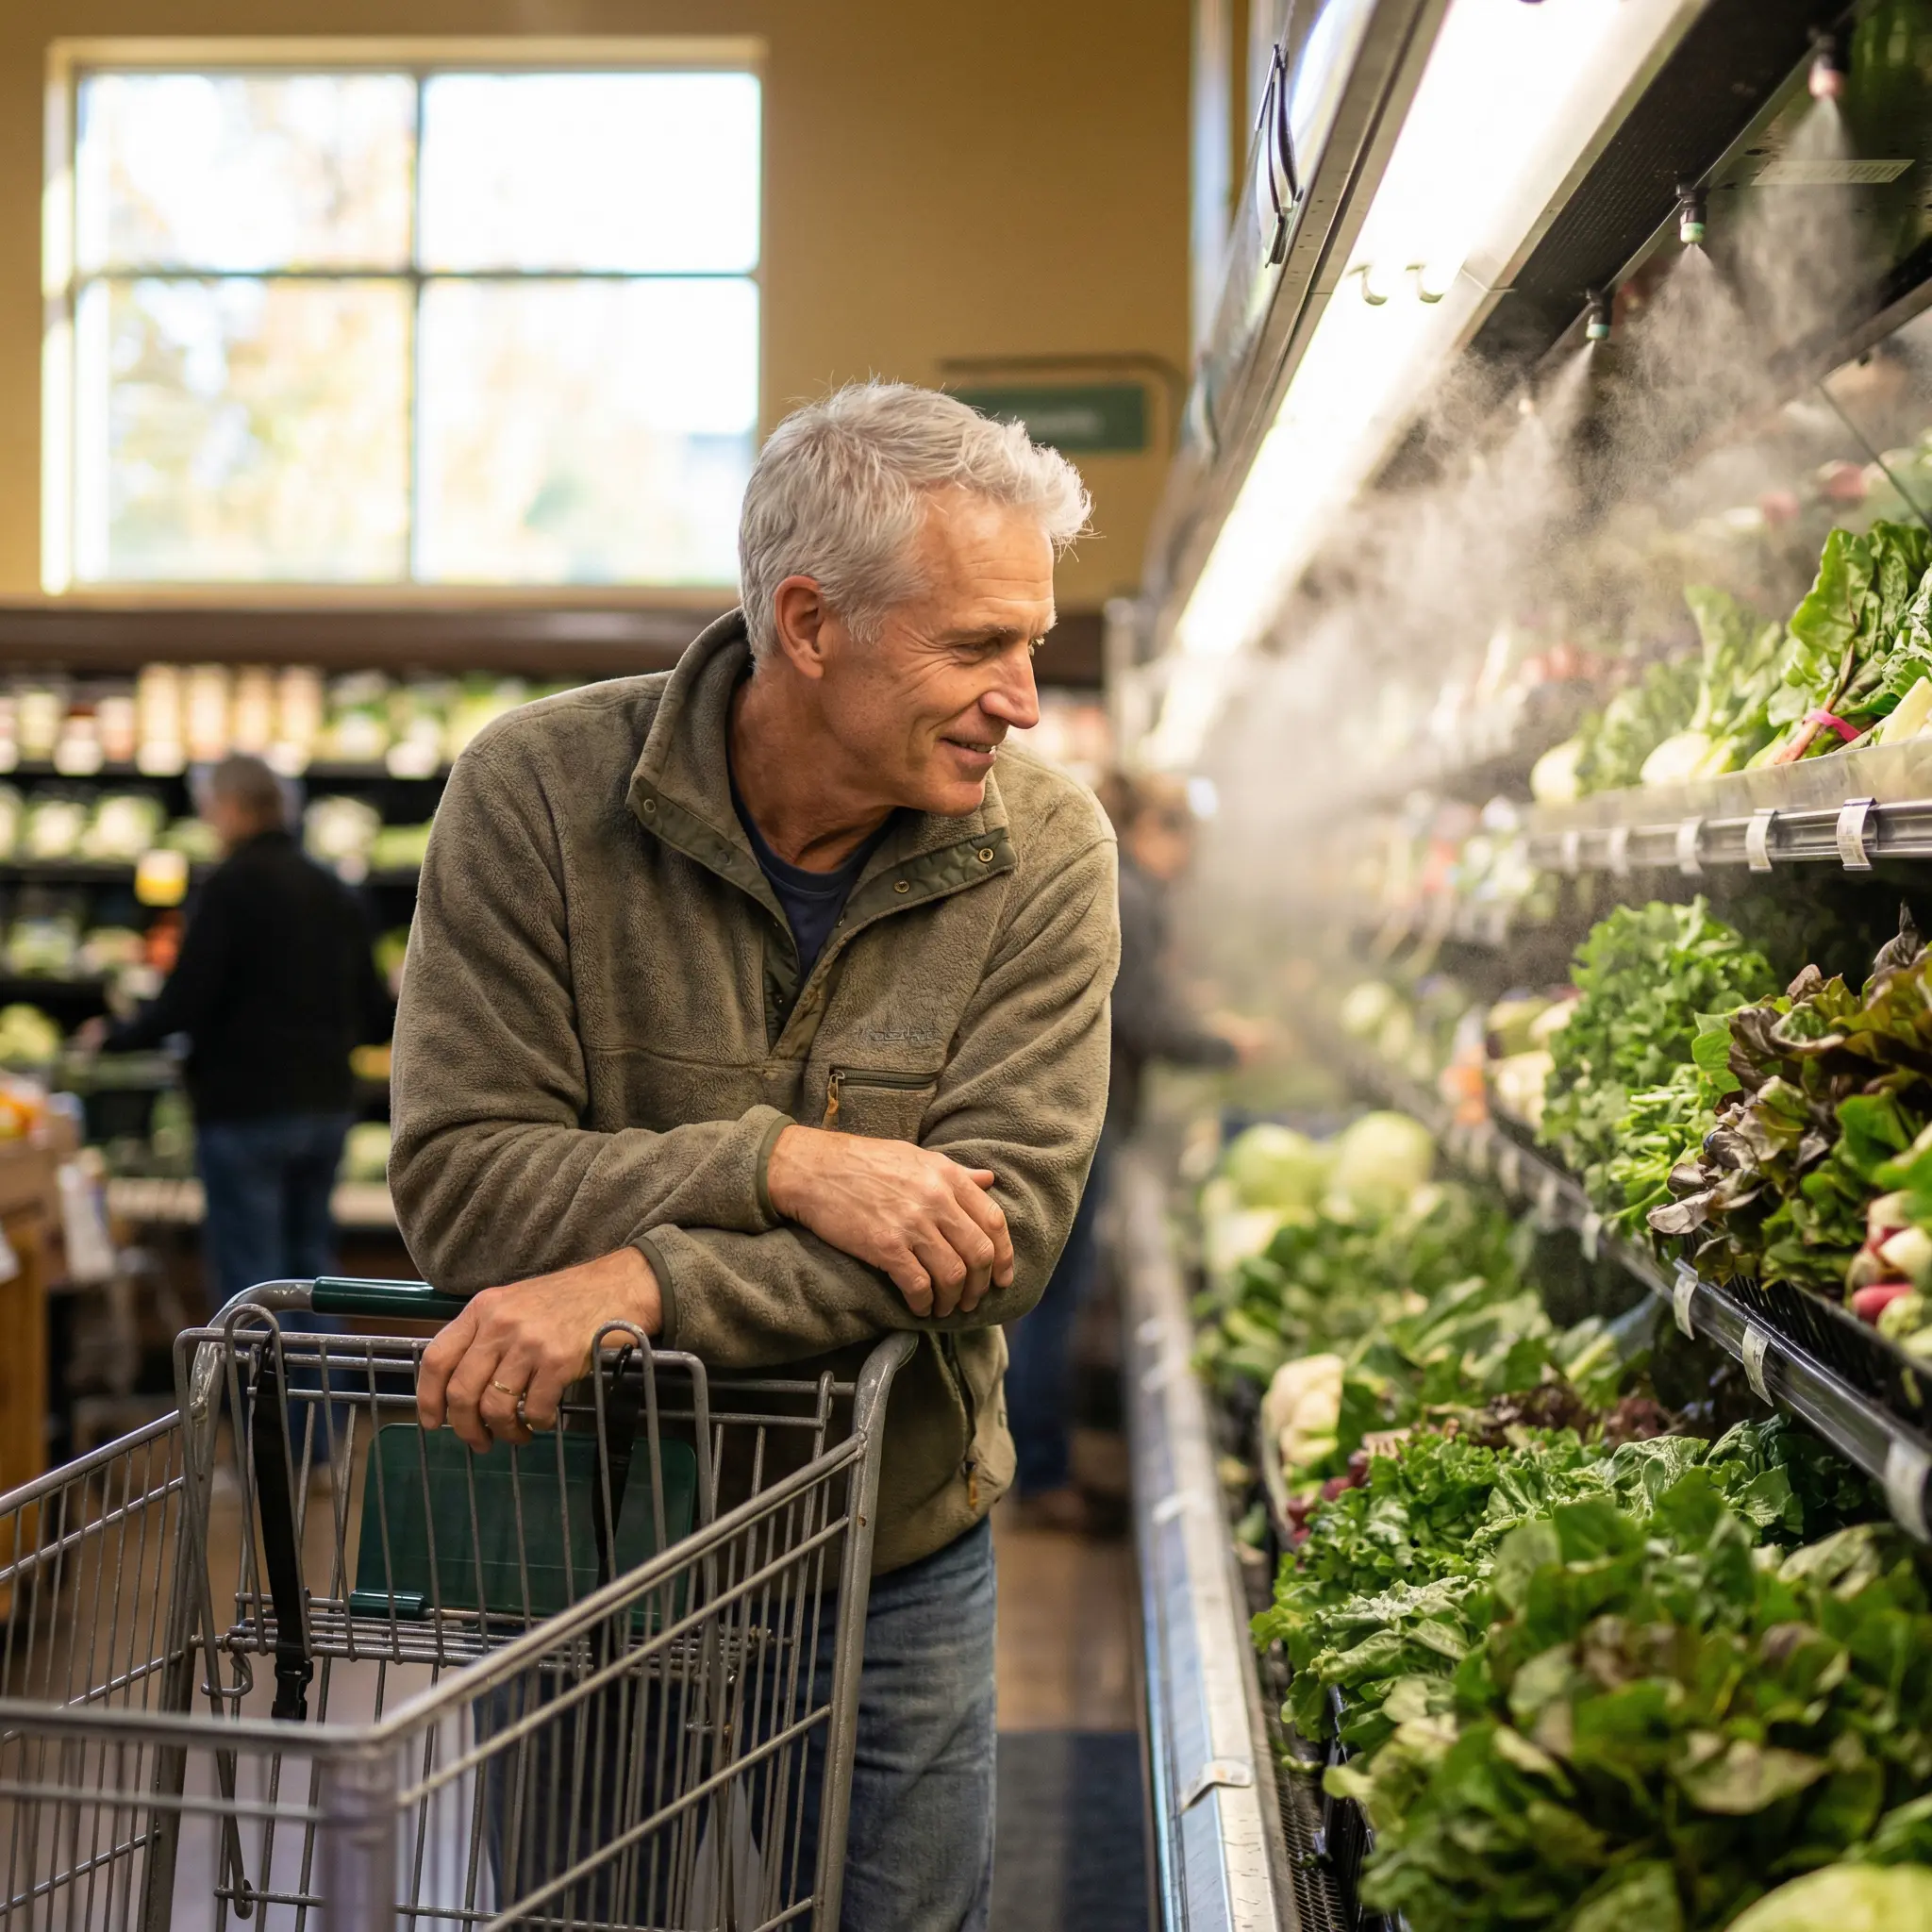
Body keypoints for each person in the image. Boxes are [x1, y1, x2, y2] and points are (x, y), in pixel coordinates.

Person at [390, 381, 1118, 1931]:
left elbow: (1002, 1236)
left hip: (893, 1551)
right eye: (977, 646)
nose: (1023, 700)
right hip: (599, 1549)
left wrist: (645, 1274)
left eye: (1032, 645)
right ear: (807, 623)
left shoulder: (1047, 851)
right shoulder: (532, 798)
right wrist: (783, 1164)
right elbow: (461, 1178)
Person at [1005, 771, 1258, 1530]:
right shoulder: (1135, 894)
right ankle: (1044, 1476)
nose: (1190, 860)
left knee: (1052, 1296)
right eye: (1186, 839)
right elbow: (1142, 1018)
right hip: (1091, 1115)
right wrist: (1225, 1044)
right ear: (1158, 829)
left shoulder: (1120, 883)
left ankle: (1045, 1461)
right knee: (1055, 1297)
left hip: (1081, 1107)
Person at [77, 754, 391, 1307]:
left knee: (254, 1288)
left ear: (227, 807)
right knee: (315, 1275)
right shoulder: (335, 890)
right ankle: (326, 1392)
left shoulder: (228, 888)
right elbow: (375, 1012)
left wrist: (116, 1035)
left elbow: (185, 1001)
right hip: (325, 1105)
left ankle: (263, 1396)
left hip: (245, 1110)